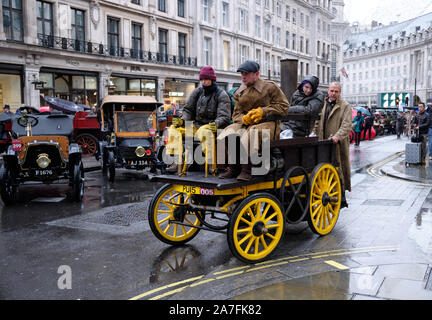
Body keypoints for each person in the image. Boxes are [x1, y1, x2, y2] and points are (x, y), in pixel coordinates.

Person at [218, 60, 290, 181]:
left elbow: (284, 107)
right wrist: (244, 119)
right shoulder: (240, 91)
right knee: (229, 131)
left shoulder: (270, 87)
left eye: (246, 73)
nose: (243, 76)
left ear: (256, 74)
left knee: (253, 132)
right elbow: (236, 114)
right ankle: (233, 167)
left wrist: (263, 112)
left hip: (270, 124)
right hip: (247, 124)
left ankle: (248, 169)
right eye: (241, 73)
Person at [166, 66, 231, 173]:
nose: (203, 82)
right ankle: (177, 161)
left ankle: (211, 164)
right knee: (174, 128)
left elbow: (224, 116)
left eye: (206, 79)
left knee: (204, 131)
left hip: (212, 126)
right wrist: (182, 121)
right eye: (202, 80)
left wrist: (216, 123)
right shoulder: (197, 92)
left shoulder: (221, 95)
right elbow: (188, 110)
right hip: (196, 125)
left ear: (212, 80)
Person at [314, 82, 352, 208]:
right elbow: (317, 122)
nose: (333, 93)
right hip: (323, 143)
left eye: (336, 91)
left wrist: (338, 136)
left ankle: (341, 200)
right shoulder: (323, 104)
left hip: (337, 144)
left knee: (338, 170)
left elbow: (346, 125)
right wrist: (313, 134)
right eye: (331, 91)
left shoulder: (345, 106)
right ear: (328, 91)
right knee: (324, 171)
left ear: (340, 92)